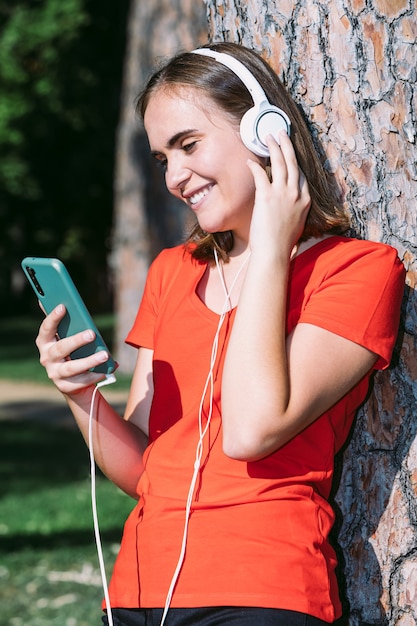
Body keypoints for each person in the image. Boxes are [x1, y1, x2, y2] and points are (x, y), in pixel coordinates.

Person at [35, 42, 405, 626]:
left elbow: (252, 430)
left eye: (188, 144)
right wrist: (80, 395)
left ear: (266, 133)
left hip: (264, 590)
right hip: (137, 591)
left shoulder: (357, 270)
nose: (176, 177)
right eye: (162, 159)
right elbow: (142, 473)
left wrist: (270, 251)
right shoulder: (170, 272)